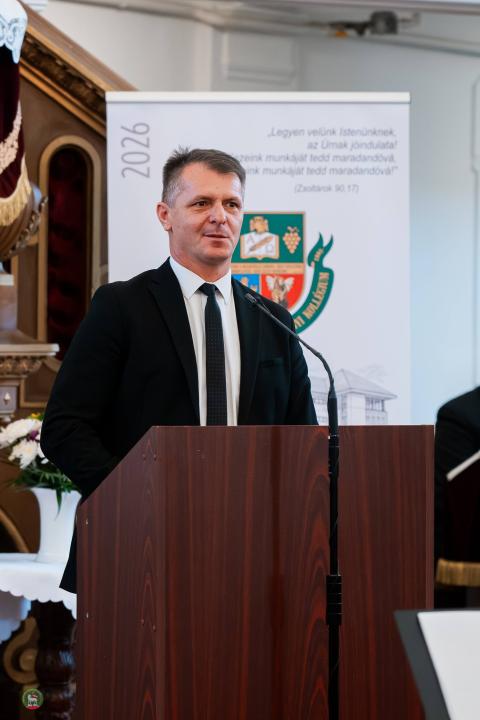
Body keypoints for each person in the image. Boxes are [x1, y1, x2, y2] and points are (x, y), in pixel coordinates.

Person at [41, 147, 318, 594]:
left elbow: (303, 441)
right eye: (201, 202)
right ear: (165, 215)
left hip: (255, 550)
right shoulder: (121, 307)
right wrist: (138, 495)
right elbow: (64, 428)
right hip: (138, 544)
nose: (219, 217)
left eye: (232, 204)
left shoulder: (273, 320)